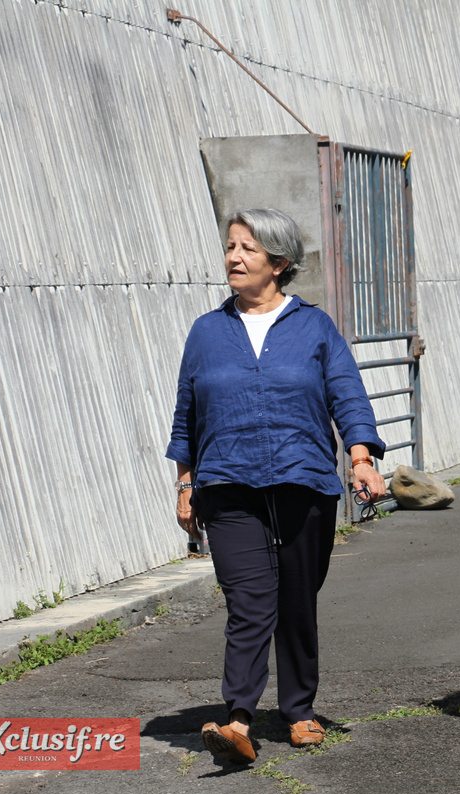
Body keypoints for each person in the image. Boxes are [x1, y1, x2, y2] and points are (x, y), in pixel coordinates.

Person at [166, 208, 386, 764]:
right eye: (231, 246)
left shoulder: (313, 326)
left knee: (295, 599)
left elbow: (347, 393)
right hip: (227, 482)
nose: (234, 258)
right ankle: (238, 716)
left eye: (248, 249)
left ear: (279, 263)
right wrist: (184, 481)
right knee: (248, 600)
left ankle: (299, 710)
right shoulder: (207, 331)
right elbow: (186, 413)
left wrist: (361, 457)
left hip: (302, 480)